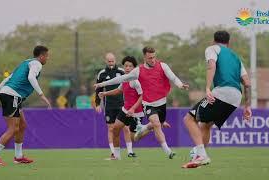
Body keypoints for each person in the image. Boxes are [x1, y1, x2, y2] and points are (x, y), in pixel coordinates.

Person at [95, 47, 189, 159]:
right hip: (140, 106)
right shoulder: (137, 71)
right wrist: (102, 85)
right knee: (119, 128)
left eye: (154, 57)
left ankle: (147, 127)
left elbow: (172, 77)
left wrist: (180, 84)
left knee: (139, 134)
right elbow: (121, 81)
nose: (153, 60)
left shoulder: (162, 66)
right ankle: (167, 151)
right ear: (144, 57)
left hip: (155, 105)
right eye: (150, 58)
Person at [181, 31, 252, 168]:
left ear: (213, 41)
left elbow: (211, 65)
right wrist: (247, 106)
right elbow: (247, 83)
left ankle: (201, 155)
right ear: (228, 43)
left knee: (189, 119)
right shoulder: (236, 58)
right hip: (236, 97)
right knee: (206, 125)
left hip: (221, 92)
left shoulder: (212, 49)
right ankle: (200, 157)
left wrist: (207, 88)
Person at [0, 46, 51, 166]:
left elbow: (7, 79)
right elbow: (31, 77)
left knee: (22, 125)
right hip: (12, 95)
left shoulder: (25, 63)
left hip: (11, 95)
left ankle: (18, 157)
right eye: (47, 56)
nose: (48, 58)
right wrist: (41, 95)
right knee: (13, 128)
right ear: (42, 56)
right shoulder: (37, 64)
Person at [99, 56, 145, 159]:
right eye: (126, 66)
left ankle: (148, 127)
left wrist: (133, 108)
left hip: (136, 112)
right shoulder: (124, 80)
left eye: (130, 66)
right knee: (115, 129)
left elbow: (143, 96)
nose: (127, 68)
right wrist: (105, 93)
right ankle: (116, 156)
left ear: (134, 68)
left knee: (134, 138)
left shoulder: (136, 81)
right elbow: (119, 90)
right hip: (125, 110)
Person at [95, 53, 134, 159]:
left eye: (112, 61)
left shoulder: (121, 71)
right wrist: (97, 103)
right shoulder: (102, 74)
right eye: (109, 61)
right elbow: (98, 89)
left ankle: (130, 151)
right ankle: (113, 153)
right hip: (109, 105)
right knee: (111, 128)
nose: (111, 63)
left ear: (115, 60)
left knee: (126, 128)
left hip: (122, 104)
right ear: (106, 61)